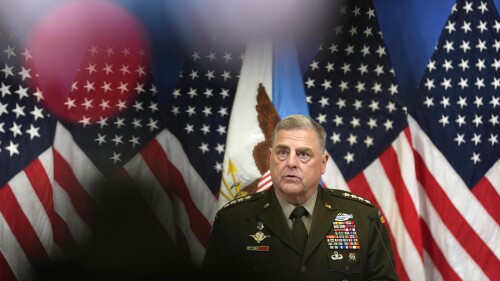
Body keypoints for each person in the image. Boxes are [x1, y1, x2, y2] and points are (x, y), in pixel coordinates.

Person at [201, 114, 398, 281]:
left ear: (323, 163)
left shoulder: (363, 218)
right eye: (282, 152)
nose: (291, 163)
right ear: (270, 158)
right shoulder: (233, 220)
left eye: (303, 154)